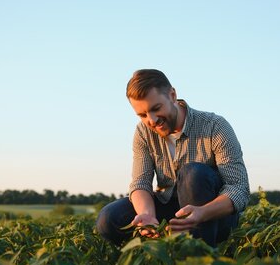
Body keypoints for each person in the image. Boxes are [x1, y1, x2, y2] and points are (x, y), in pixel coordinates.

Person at [96, 69, 249, 247]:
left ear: (172, 95)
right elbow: (140, 183)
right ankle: (160, 250)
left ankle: (197, 257)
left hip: (212, 215)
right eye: (142, 115)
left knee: (193, 174)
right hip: (169, 208)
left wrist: (202, 212)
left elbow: (239, 188)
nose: (151, 120)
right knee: (108, 219)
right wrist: (147, 215)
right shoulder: (143, 132)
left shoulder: (215, 126)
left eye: (156, 109)